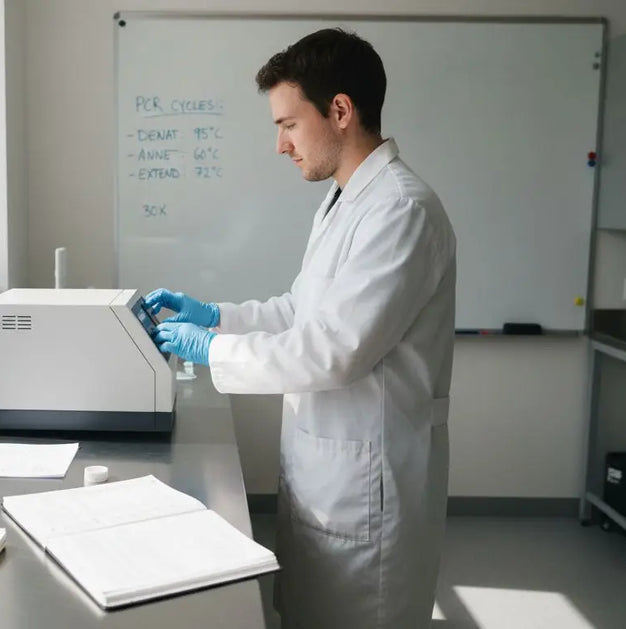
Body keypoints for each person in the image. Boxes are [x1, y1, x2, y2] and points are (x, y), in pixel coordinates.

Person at [148, 28, 456, 629]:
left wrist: (213, 349)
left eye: (288, 124)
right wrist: (216, 316)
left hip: (369, 486)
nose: (281, 145)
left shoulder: (401, 209)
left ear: (339, 111)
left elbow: (333, 351)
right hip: (329, 471)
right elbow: (301, 312)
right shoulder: (344, 202)